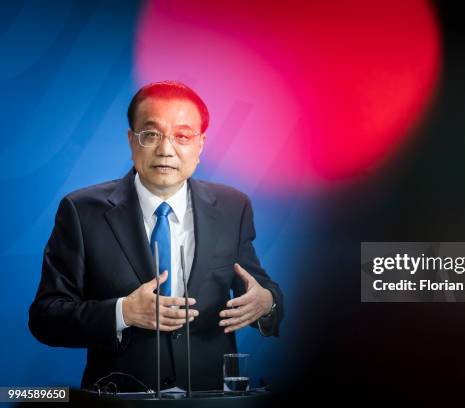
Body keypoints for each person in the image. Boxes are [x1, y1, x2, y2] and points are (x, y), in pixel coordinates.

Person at [28, 81, 283, 391]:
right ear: (132, 141)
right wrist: (122, 312)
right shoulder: (81, 211)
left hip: (210, 397)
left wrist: (266, 302)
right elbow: (46, 318)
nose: (166, 150)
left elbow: (261, 287)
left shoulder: (233, 207)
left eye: (182, 136)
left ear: (200, 144)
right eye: (151, 135)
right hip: (120, 398)